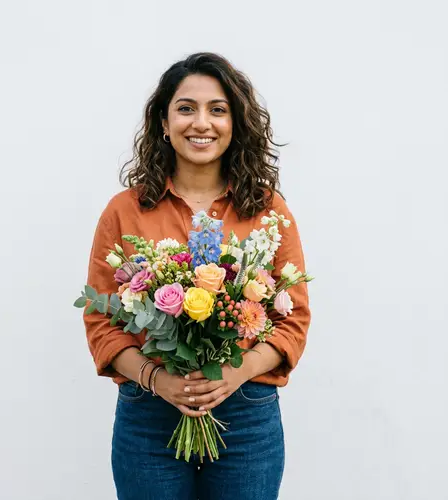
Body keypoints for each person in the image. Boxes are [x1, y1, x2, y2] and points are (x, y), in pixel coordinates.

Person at [83, 52, 311, 500]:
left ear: (235, 124)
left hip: (246, 419)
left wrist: (236, 372)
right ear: (163, 123)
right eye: (186, 108)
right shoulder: (124, 211)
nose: (201, 122)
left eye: (217, 109)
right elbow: (100, 323)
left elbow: (294, 321)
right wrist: (159, 380)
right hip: (148, 417)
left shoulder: (269, 211)